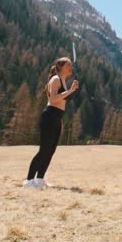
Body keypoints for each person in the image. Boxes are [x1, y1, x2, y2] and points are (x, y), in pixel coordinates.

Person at [23, 57, 78, 190]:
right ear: (61, 66)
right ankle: (29, 180)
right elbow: (53, 99)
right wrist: (70, 91)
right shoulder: (55, 79)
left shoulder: (63, 81)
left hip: (57, 118)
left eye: (71, 65)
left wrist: (60, 121)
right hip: (49, 116)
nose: (71, 67)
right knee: (44, 150)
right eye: (68, 65)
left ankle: (40, 179)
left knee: (50, 151)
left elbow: (62, 102)